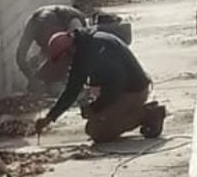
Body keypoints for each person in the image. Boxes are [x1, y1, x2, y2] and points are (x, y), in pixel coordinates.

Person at [33, 26, 167, 142]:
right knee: (95, 123)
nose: (67, 63)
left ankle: (148, 115)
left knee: (97, 131)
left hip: (132, 91)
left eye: (65, 59)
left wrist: (96, 107)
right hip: (120, 90)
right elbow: (72, 89)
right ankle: (136, 111)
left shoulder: (94, 50)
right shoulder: (84, 46)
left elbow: (115, 85)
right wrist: (50, 117)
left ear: (69, 50)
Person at [15, 5, 133, 92]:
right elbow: (20, 56)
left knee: (72, 57)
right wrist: (31, 78)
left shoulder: (73, 26)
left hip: (73, 27)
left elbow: (74, 53)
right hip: (58, 29)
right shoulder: (32, 27)